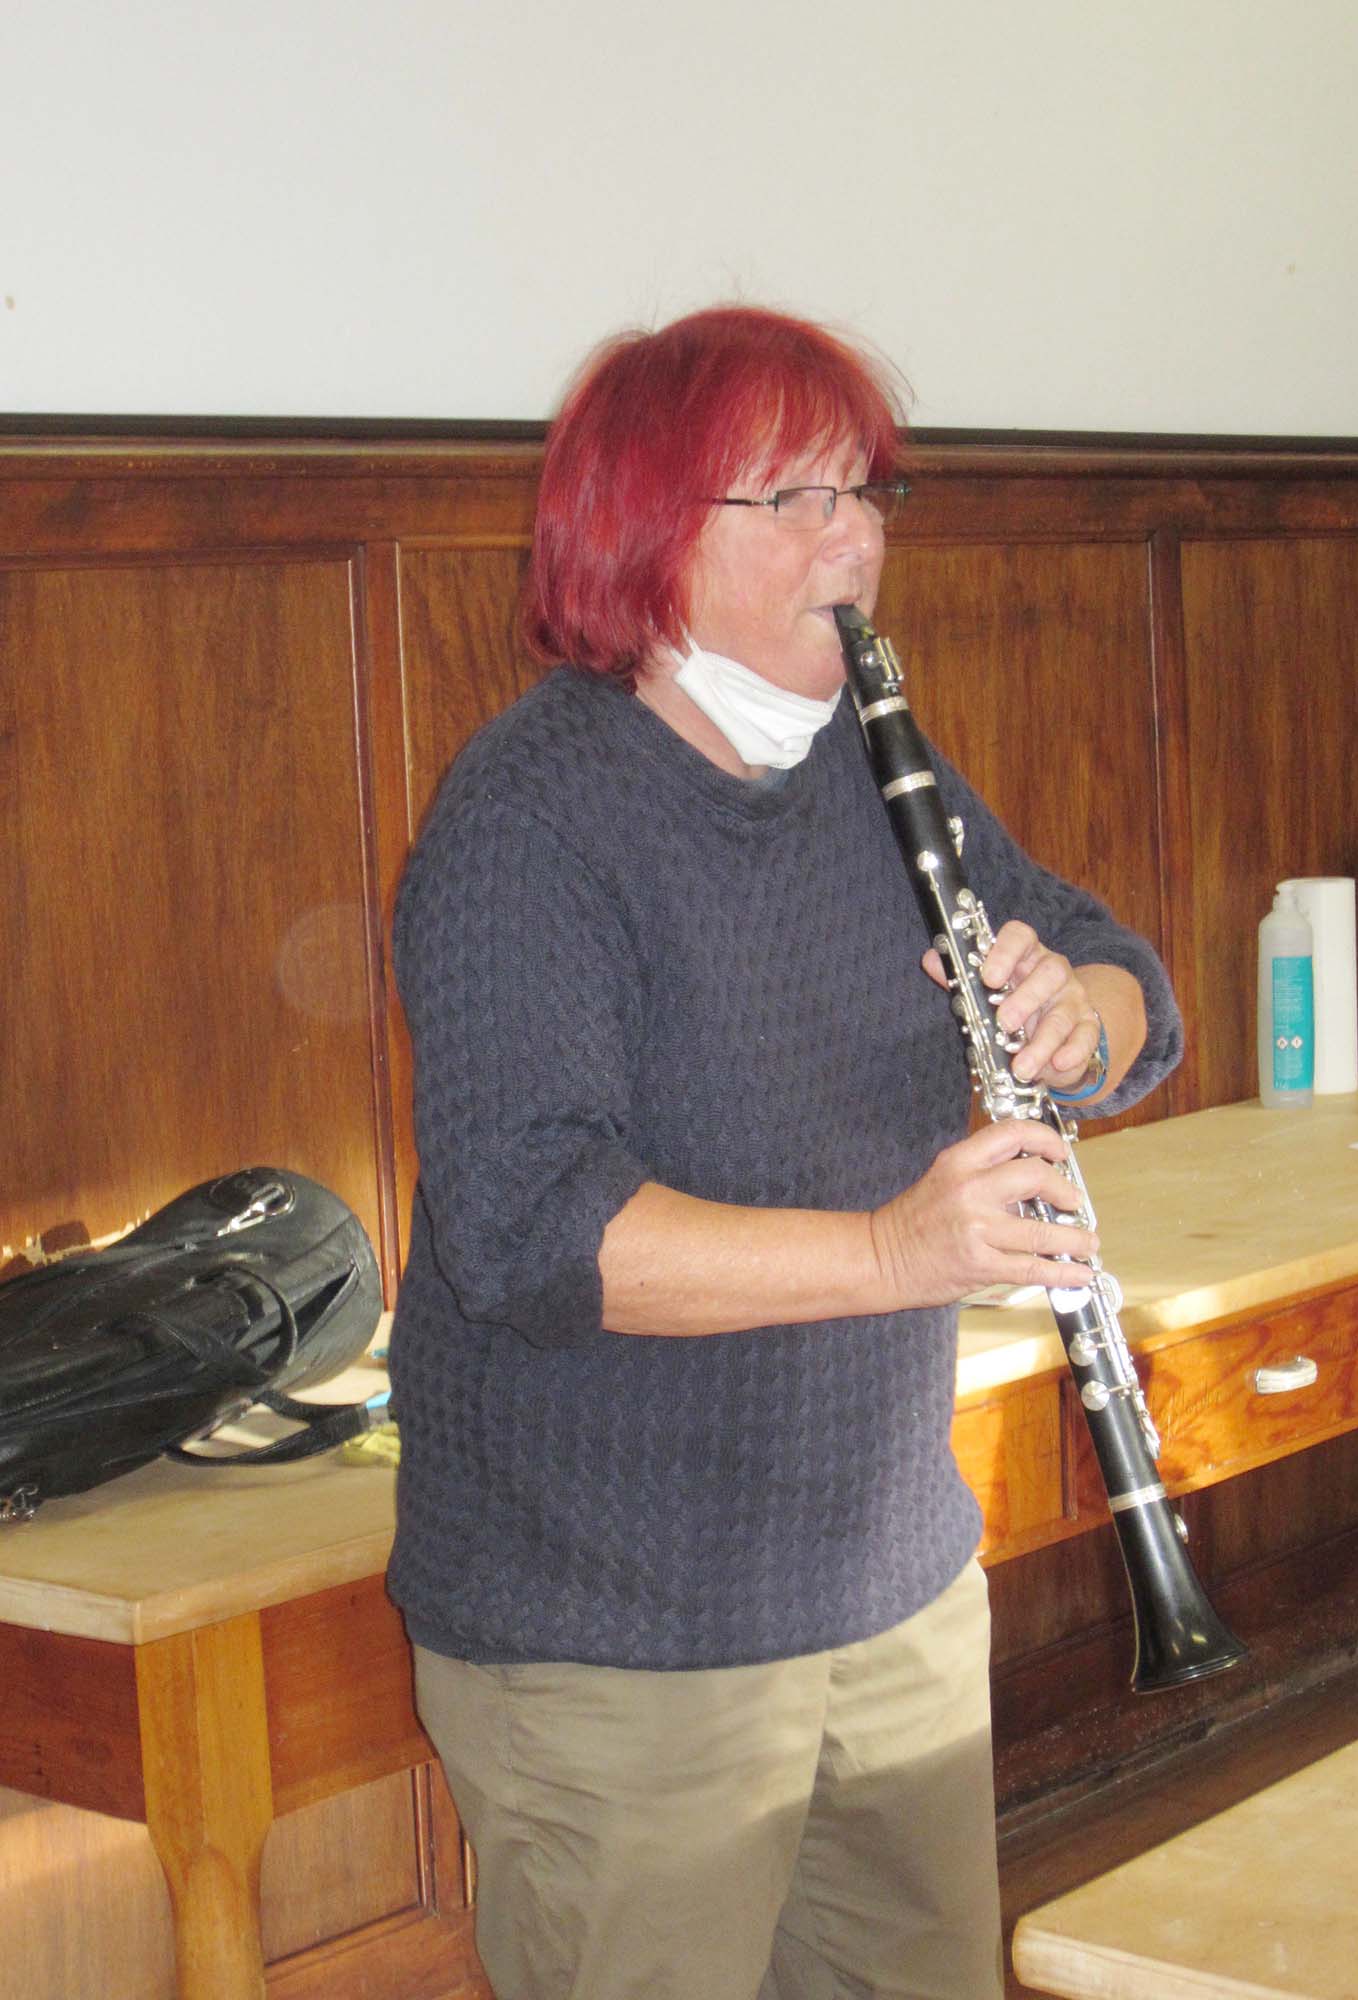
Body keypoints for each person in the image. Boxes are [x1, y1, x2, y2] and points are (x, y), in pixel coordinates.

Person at [387, 304, 1183, 2000]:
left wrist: (1082, 1020)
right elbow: (532, 1232)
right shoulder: (527, 820)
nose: (857, 541)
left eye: (867, 492)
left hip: (886, 1579)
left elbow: (1123, 968)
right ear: (648, 535)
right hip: (620, 1637)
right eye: (798, 500)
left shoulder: (868, 768)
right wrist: (900, 1251)